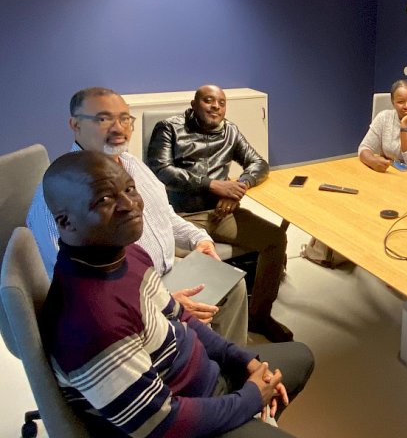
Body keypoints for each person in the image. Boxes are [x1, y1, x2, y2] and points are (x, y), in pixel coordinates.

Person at [40, 150, 314, 438]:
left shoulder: (126, 253)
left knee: (301, 356)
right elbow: (162, 423)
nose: (130, 204)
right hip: (178, 421)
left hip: (202, 381)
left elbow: (180, 316)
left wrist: (242, 359)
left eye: (129, 188)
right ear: (65, 222)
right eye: (105, 199)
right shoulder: (90, 322)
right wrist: (250, 399)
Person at [27, 87, 250, 345]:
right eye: (103, 119)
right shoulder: (59, 193)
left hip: (166, 275)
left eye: (124, 118)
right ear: (75, 125)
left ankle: (229, 365)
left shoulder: (133, 165)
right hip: (126, 301)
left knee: (233, 287)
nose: (118, 128)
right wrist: (161, 303)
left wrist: (198, 239)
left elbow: (165, 215)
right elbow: (74, 286)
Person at [147, 85, 292, 343]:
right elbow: (161, 170)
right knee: (181, 263)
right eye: (209, 100)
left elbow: (259, 163)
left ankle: (260, 316)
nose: (216, 106)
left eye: (222, 103)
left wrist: (237, 188)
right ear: (194, 104)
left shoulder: (230, 131)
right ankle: (189, 329)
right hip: (180, 217)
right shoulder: (169, 128)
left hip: (220, 213)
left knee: (275, 238)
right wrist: (211, 184)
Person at [358, 79, 407, 172]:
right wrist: (372, 161)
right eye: (400, 102)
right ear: (393, 102)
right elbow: (364, 147)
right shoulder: (383, 117)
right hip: (390, 172)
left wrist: (404, 125)